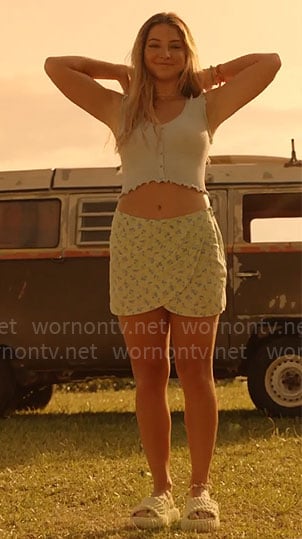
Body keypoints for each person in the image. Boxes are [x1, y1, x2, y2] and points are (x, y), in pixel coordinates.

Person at [44, 12, 281, 532]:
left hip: (193, 242)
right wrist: (124, 72)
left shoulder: (207, 106)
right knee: (149, 375)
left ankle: (201, 492)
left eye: (175, 46)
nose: (165, 54)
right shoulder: (119, 108)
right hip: (135, 246)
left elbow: (271, 62)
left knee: (195, 372)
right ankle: (160, 492)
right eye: (154, 45)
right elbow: (55, 65)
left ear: (187, 52)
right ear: (142, 51)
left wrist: (211, 73)